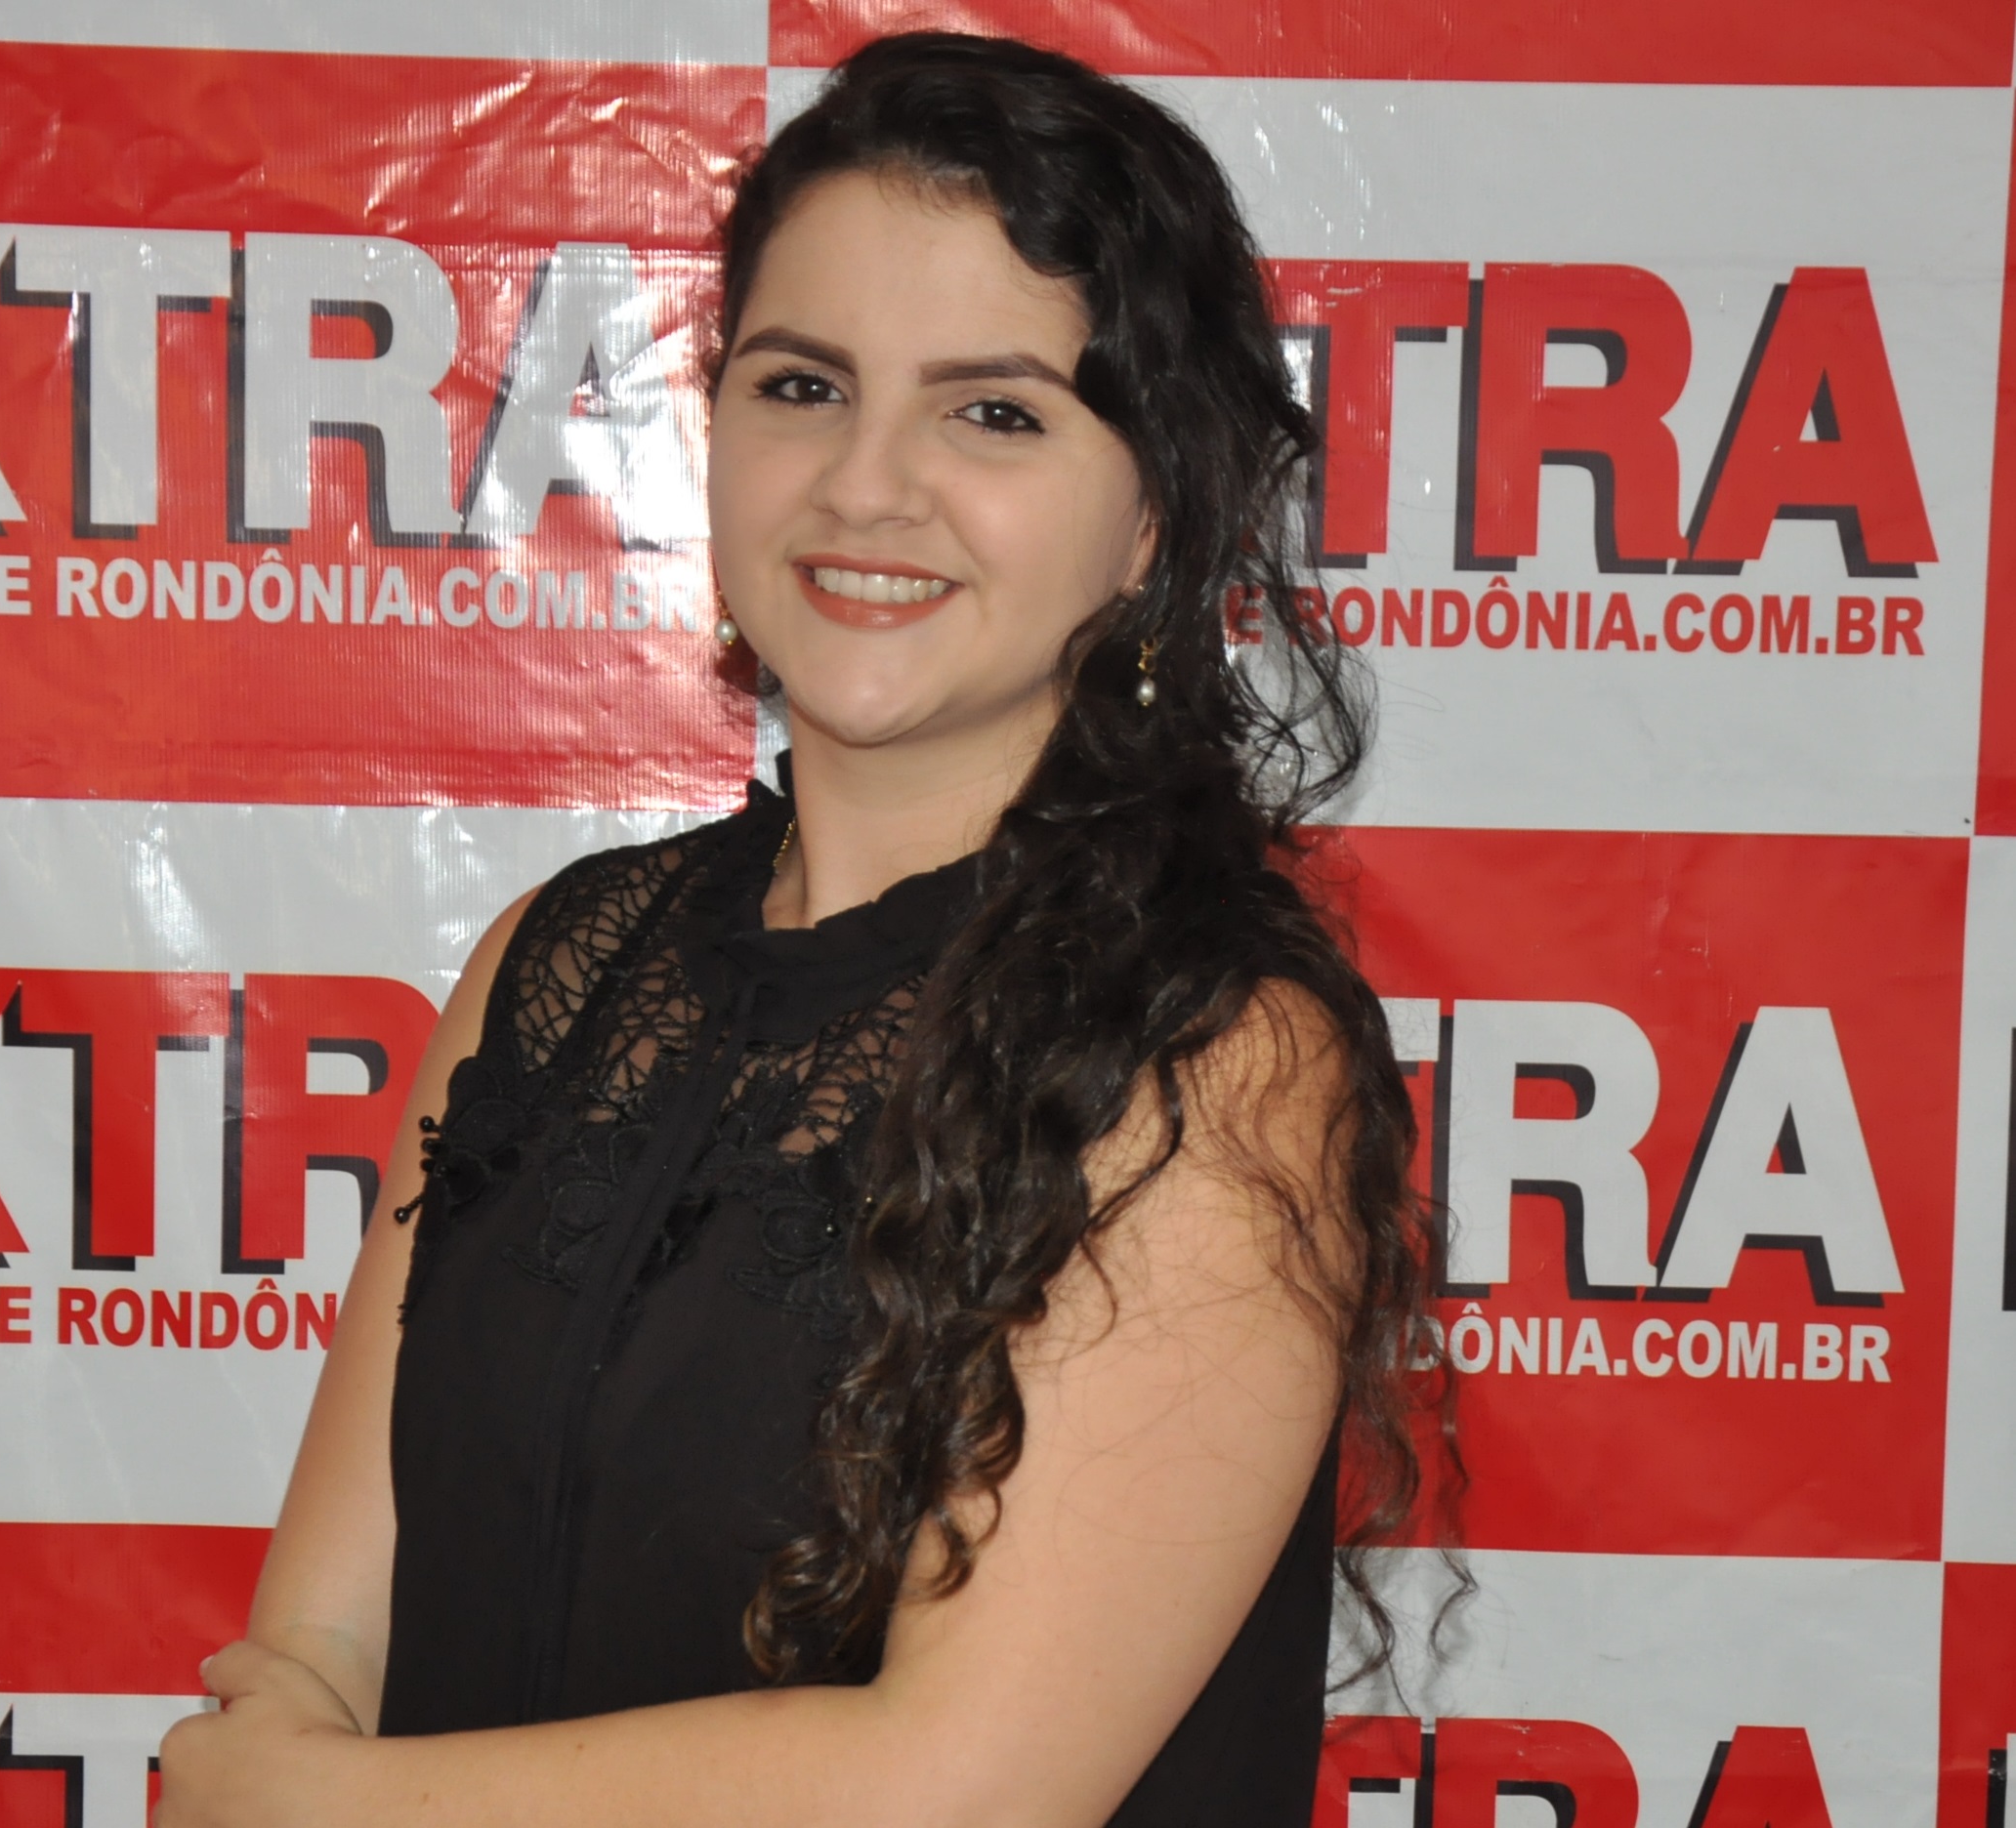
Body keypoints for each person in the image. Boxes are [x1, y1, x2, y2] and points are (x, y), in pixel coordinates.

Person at [156, 30, 1437, 1828]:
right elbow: (321, 1639)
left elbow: (960, 1789)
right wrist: (287, 1744)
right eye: (804, 385)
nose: (864, 484)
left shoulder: (1212, 1053)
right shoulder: (558, 964)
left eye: (994, 411)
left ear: (1153, 515)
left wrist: (308, 1806)